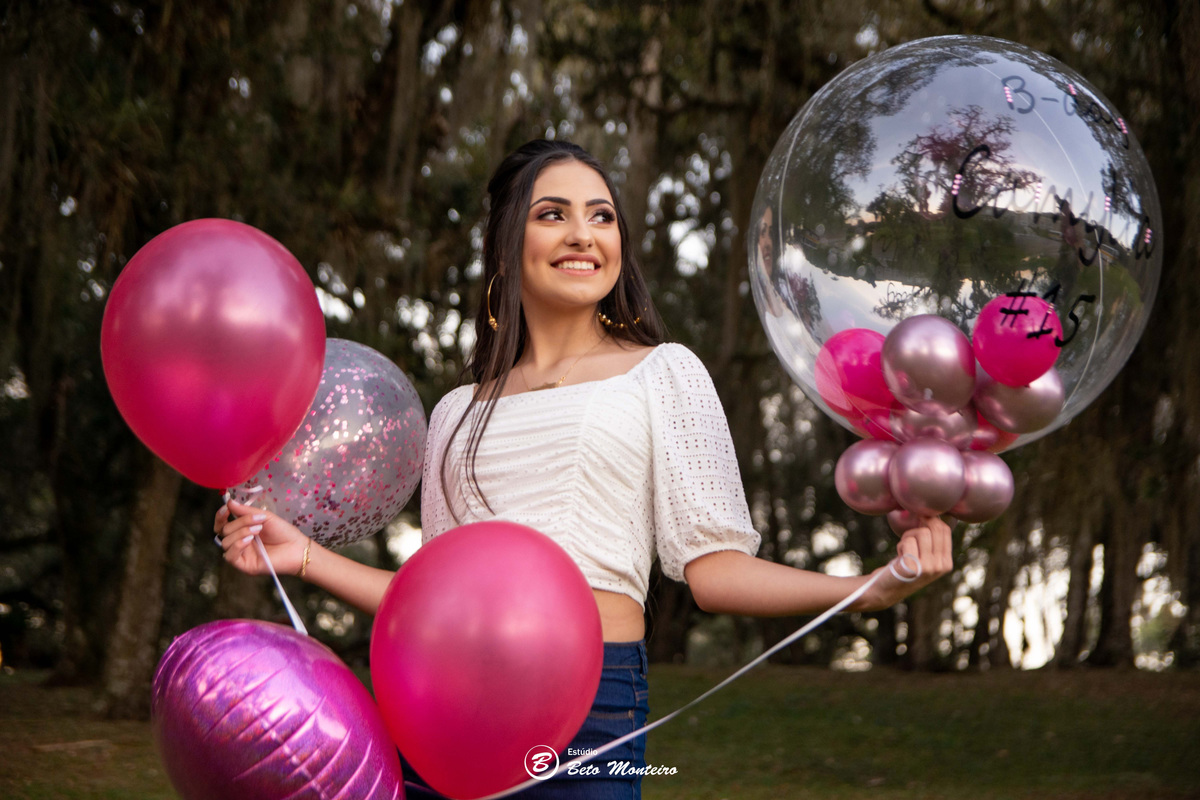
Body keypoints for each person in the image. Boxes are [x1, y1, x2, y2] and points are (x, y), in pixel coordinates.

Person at [215, 139, 953, 799]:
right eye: (554, 214)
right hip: (442, 704)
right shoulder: (455, 412)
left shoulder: (664, 373)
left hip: (590, 706)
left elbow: (714, 570)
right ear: (509, 243)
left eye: (601, 217)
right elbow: (431, 598)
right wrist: (303, 554)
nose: (582, 235)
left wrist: (861, 591)